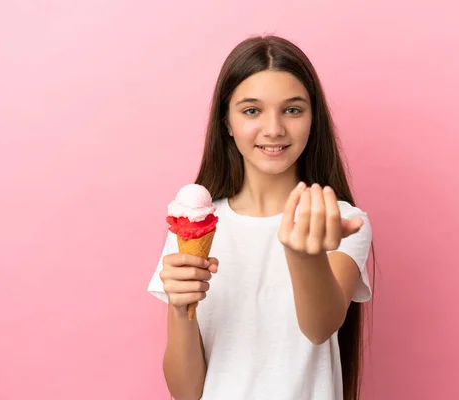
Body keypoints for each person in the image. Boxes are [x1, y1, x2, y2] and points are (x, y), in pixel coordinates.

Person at [147, 35, 374, 400]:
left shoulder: (338, 220)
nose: (273, 129)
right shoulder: (197, 225)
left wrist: (303, 253)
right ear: (227, 122)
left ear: (314, 119)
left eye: (293, 109)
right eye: (252, 110)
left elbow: (319, 327)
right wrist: (180, 307)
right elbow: (186, 393)